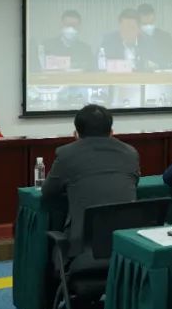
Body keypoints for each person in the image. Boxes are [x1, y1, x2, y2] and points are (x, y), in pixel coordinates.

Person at [40, 105, 139, 255]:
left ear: (76, 134)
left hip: (83, 249)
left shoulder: (67, 154)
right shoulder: (131, 153)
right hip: (126, 249)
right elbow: (134, 183)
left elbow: (48, 191)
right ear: (112, 132)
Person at [136, 3, 172, 68]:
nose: (147, 17)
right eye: (144, 15)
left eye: (149, 14)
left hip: (162, 71)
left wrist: (158, 65)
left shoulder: (165, 36)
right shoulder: (133, 36)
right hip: (140, 71)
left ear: (154, 17)